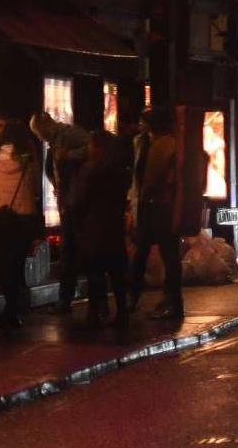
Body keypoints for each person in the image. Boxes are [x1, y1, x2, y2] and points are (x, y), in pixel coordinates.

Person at [0, 115, 40, 328]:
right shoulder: (28, 158)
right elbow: (34, 186)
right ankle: (15, 308)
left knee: (4, 263)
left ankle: (11, 307)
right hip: (23, 216)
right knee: (17, 263)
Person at [68, 130, 132, 328]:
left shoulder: (90, 170)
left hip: (93, 226)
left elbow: (80, 200)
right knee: (116, 272)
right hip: (113, 226)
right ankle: (122, 312)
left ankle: (94, 312)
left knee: (94, 270)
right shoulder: (120, 171)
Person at [31, 111, 93, 314]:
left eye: (40, 133)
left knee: (75, 252)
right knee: (70, 253)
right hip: (68, 202)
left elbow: (91, 150)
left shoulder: (70, 135)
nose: (40, 138)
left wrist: (68, 156)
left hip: (76, 203)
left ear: (47, 125)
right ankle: (68, 300)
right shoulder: (57, 141)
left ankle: (73, 300)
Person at [128, 108, 184, 323]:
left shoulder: (162, 145)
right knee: (161, 254)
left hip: (158, 207)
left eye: (143, 122)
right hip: (156, 206)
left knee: (161, 254)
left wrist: (141, 199)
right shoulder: (151, 142)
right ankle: (170, 301)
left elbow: (152, 177)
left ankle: (167, 302)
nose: (140, 126)